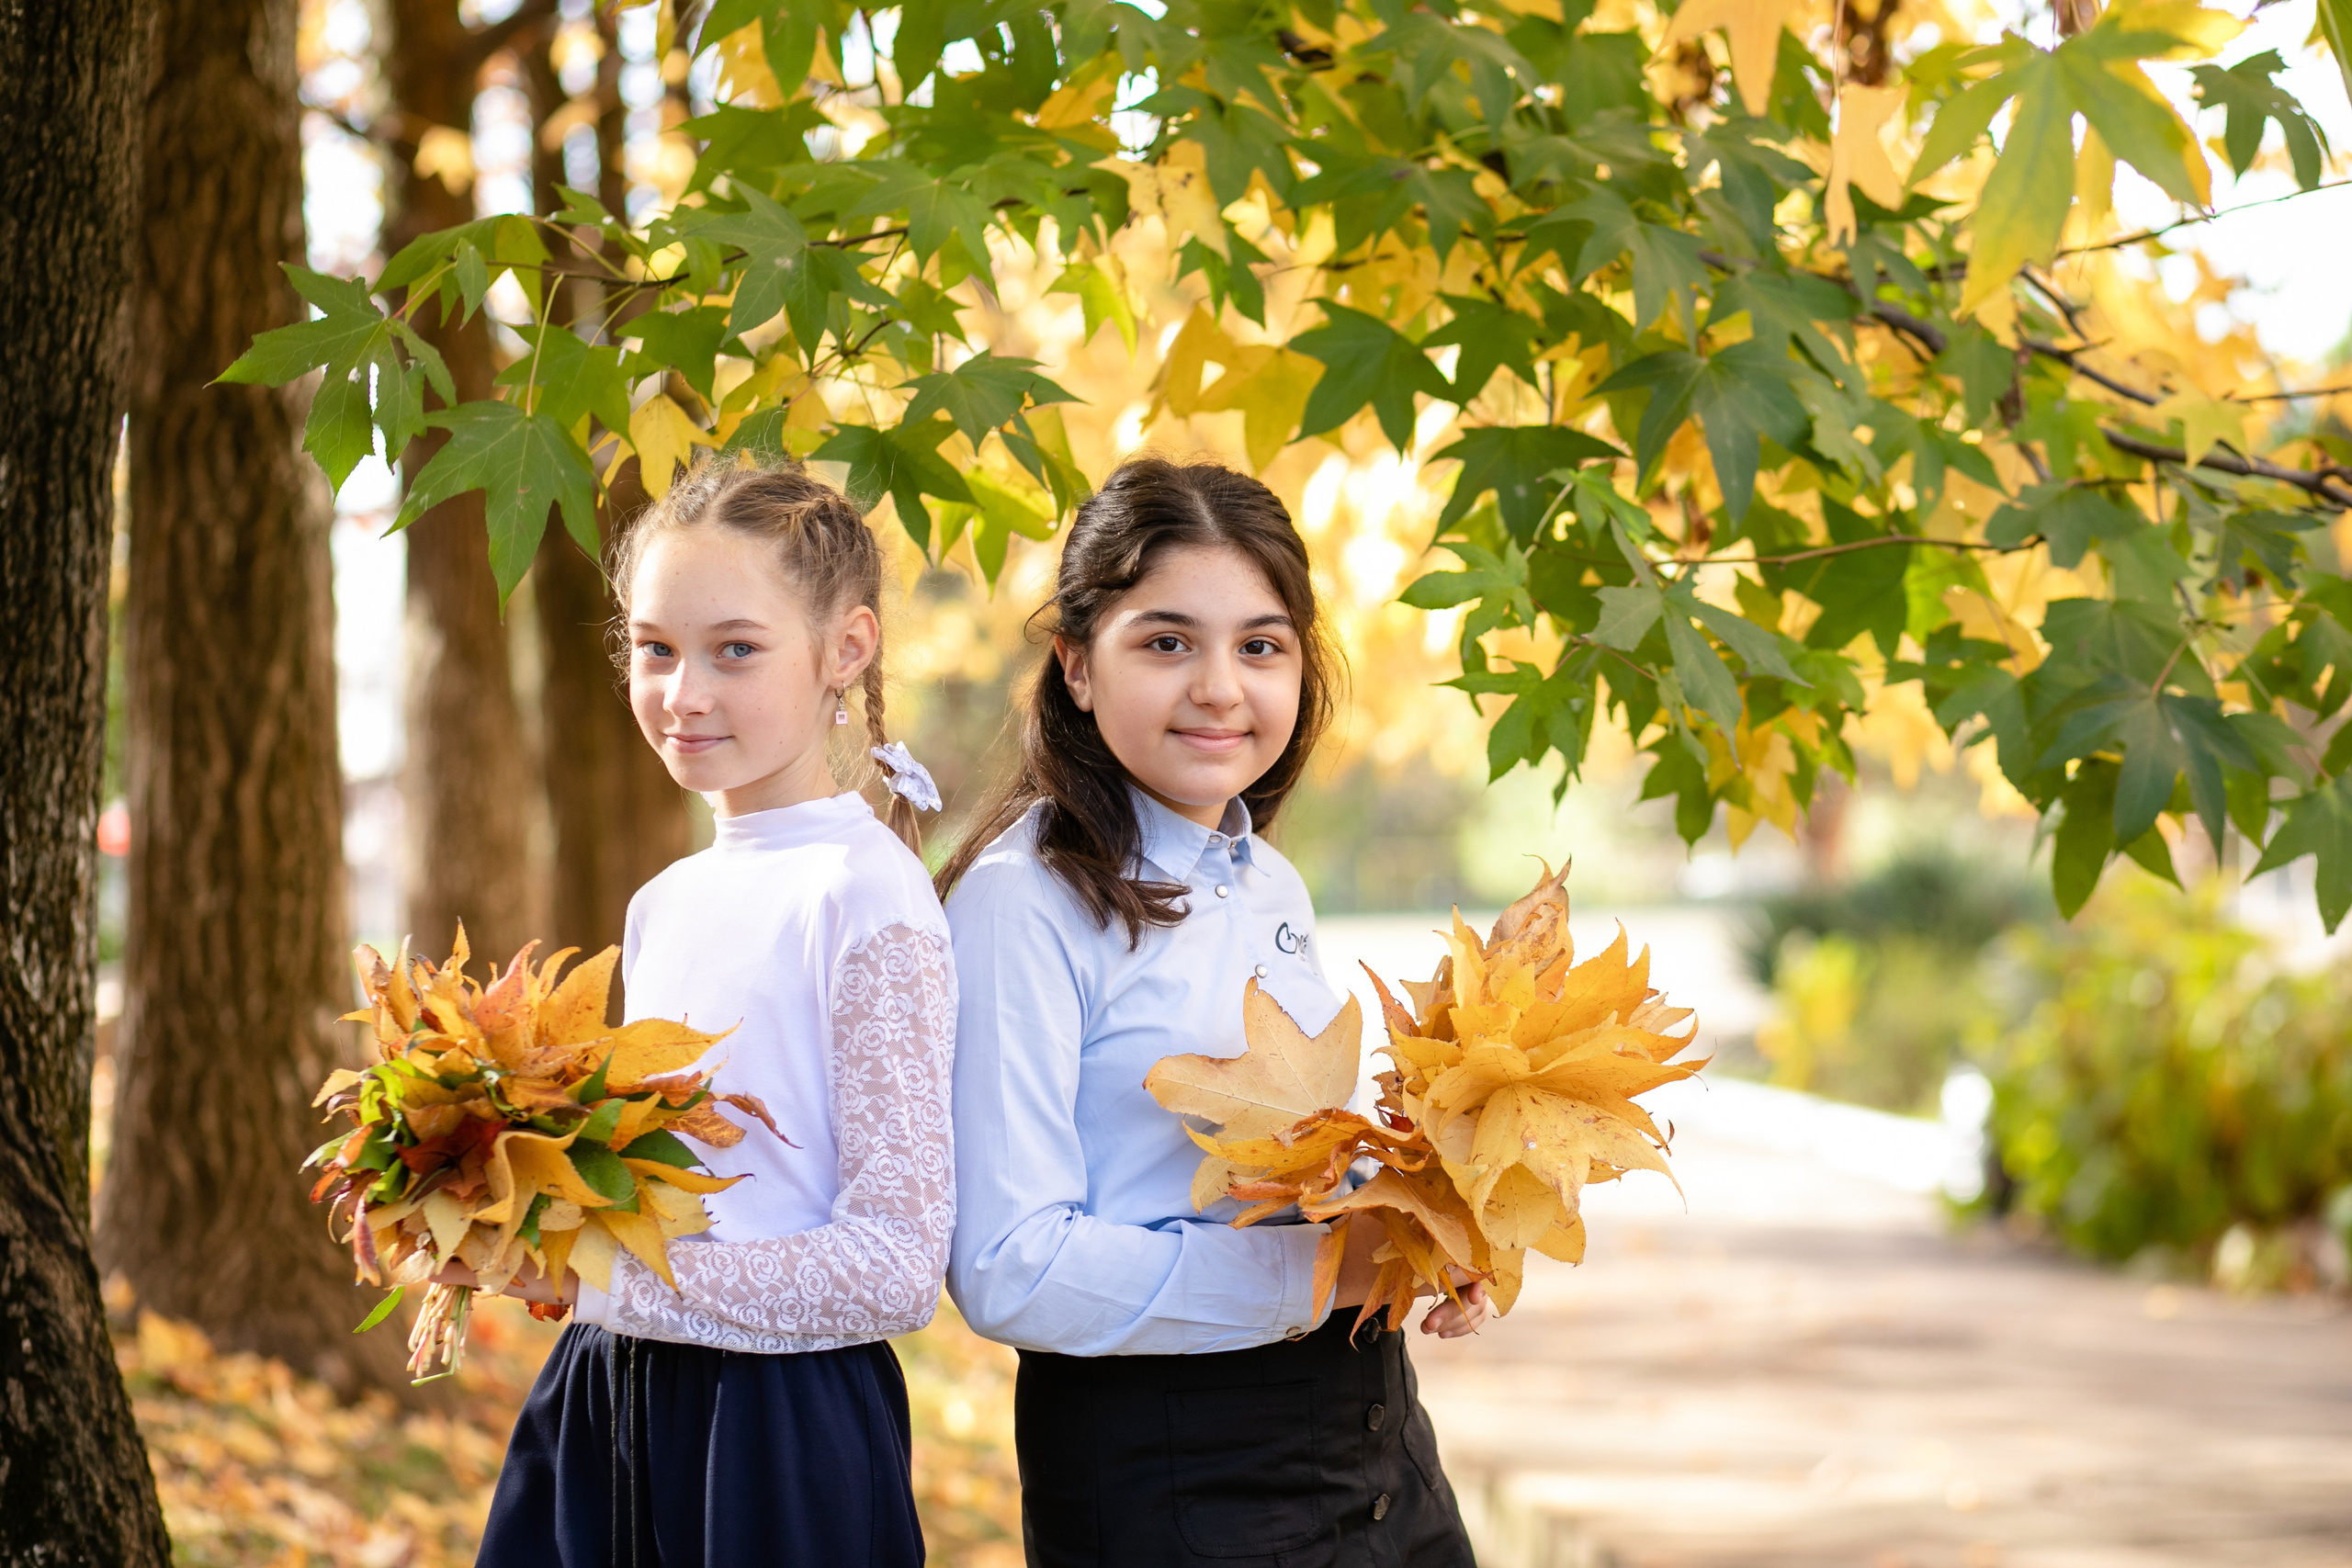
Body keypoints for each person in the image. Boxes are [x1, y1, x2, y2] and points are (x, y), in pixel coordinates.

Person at [938, 457, 1486, 1568]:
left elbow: (1287, 1161)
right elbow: (1008, 1265)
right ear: (1076, 667)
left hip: (1375, 1445)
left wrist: (1424, 1230)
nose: (1221, 688)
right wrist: (1326, 1275)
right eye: (1167, 641)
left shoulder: (1264, 879)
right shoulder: (1023, 903)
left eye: (1260, 645)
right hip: (1176, 1478)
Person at [469, 458, 956, 1568]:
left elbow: (893, 1261)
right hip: (611, 1402)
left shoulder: (866, 895)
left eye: (735, 649)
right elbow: (659, 1189)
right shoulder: (664, 902)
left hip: (777, 1441)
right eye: (656, 647)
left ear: (847, 648)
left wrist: (604, 1280)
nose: (683, 692)